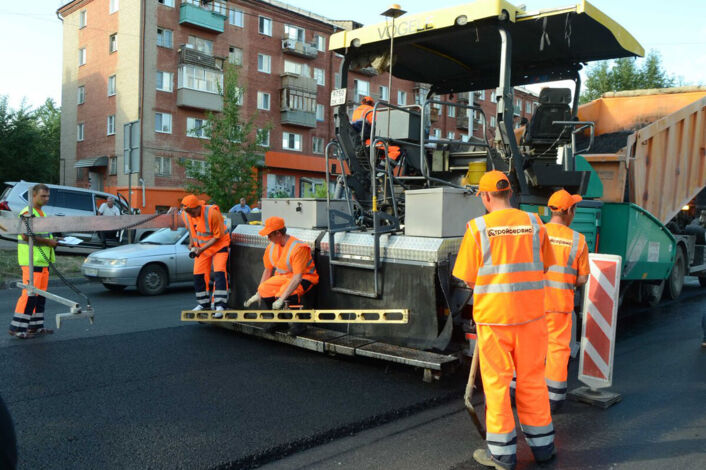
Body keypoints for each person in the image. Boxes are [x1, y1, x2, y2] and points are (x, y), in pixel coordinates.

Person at [453, 171, 557, 470]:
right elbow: (545, 266)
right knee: (533, 382)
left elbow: (467, 278)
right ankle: (543, 447)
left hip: (495, 321)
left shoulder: (477, 228)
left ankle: (502, 454)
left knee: (497, 386)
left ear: (486, 197)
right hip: (533, 318)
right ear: (509, 193)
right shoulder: (536, 224)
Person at [543, 189, 590, 412]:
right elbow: (582, 278)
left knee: (527, 348)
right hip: (559, 305)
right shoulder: (578, 240)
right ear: (570, 210)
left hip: (531, 304)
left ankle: (516, 391)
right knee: (557, 349)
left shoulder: (536, 233)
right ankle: (553, 398)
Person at [244, 216, 318, 336]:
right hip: (285, 278)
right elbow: (267, 271)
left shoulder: (298, 248)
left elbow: (297, 277)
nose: (268, 238)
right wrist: (259, 293)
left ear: (278, 233)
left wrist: (281, 298)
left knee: (286, 292)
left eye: (269, 235)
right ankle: (279, 321)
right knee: (264, 289)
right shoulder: (271, 247)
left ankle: (300, 324)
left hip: (305, 277)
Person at [9, 183, 61, 339]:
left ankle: (36, 327)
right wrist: (48, 242)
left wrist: (54, 240)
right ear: (33, 196)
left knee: (39, 296)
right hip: (32, 261)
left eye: (48, 196)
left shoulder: (40, 213)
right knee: (29, 294)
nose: (46, 199)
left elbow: (42, 235)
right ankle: (17, 328)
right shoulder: (28, 212)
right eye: (43, 196)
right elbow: (26, 236)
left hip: (41, 261)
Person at [181, 195, 230, 319]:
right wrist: (191, 243)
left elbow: (217, 236)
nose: (191, 215)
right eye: (188, 212)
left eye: (192, 212)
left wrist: (201, 249)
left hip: (219, 246)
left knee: (219, 272)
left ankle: (220, 305)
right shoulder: (186, 214)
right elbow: (192, 230)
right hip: (202, 248)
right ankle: (203, 304)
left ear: (198, 207)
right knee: (198, 274)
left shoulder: (213, 213)